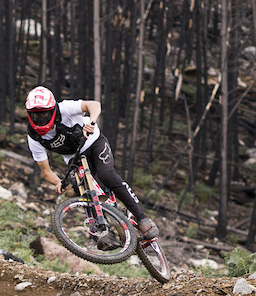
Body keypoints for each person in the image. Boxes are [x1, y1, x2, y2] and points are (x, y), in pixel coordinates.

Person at [24, 86, 159, 241]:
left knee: (106, 174)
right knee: (81, 189)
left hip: (94, 143)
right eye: (36, 116)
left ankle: (142, 218)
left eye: (45, 114)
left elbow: (93, 104)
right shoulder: (34, 137)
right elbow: (46, 171)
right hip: (74, 158)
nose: (40, 120)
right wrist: (59, 182)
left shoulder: (64, 108)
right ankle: (103, 232)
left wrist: (92, 121)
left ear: (53, 110)